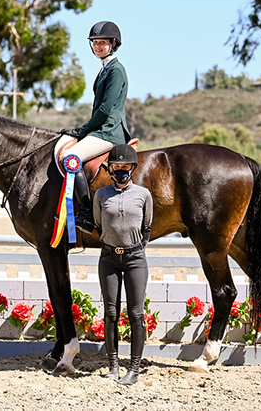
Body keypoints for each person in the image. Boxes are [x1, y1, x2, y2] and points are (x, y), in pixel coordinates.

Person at [61, 21, 131, 234]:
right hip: (100, 129)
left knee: (71, 157)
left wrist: (82, 130)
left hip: (110, 131)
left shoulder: (116, 70)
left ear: (113, 44)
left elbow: (105, 109)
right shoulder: (105, 69)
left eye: (103, 42)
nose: (98, 46)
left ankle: (87, 214)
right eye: (95, 43)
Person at [93, 144, 152, 386]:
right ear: (111, 169)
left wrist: (133, 248)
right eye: (116, 167)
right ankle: (113, 365)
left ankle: (134, 368)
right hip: (108, 258)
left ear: (132, 168)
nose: (120, 171)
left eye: (125, 167)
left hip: (135, 258)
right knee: (110, 312)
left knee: (136, 313)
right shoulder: (101, 195)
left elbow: (147, 228)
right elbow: (99, 224)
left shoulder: (143, 195)